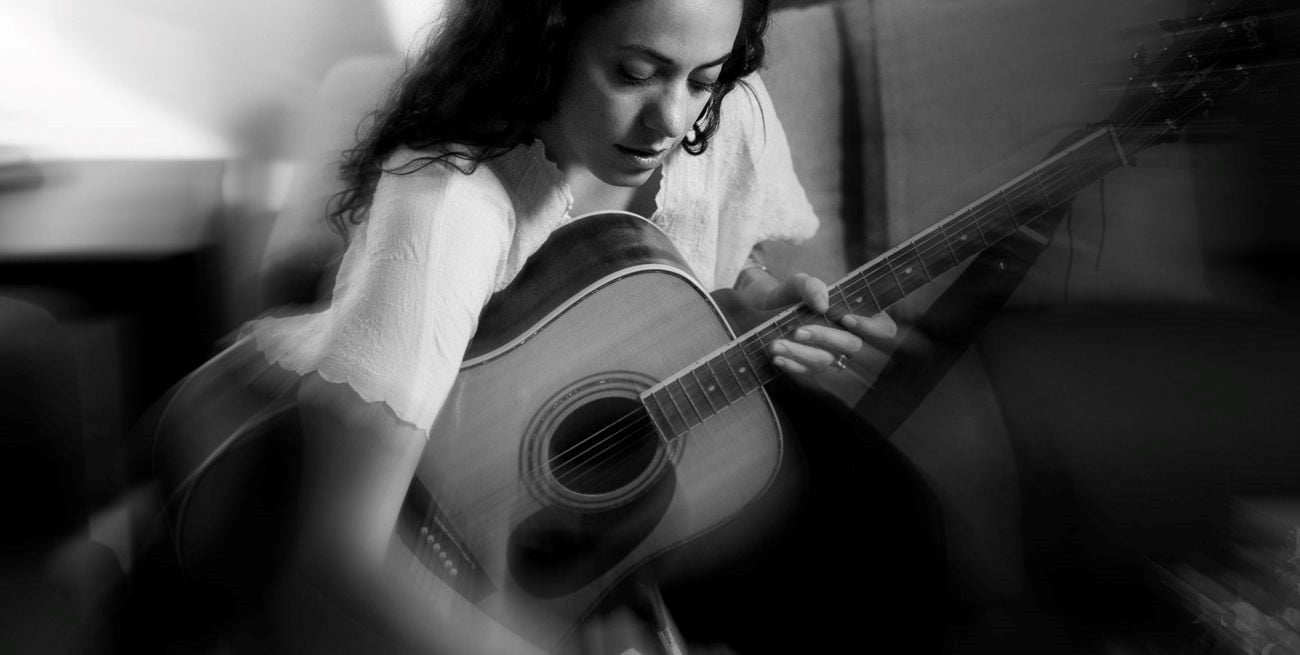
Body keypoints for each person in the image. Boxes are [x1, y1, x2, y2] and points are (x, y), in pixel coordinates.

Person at [139, 0, 947, 653]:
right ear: (546, 38)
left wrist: (748, 304)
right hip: (376, 479)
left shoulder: (723, 116)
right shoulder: (447, 206)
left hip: (595, 461)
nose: (671, 117)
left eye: (705, 78)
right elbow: (339, 551)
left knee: (896, 536)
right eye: (635, 73)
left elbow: (710, 262)